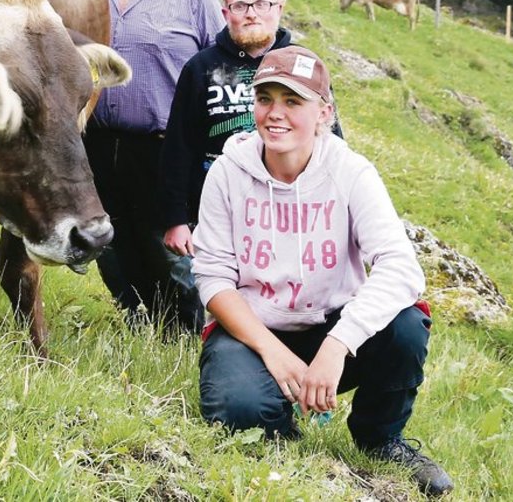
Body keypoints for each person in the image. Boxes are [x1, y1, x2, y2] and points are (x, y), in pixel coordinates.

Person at [192, 45, 453, 497]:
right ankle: (279, 416)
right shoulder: (227, 173)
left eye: (293, 102)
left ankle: (379, 437)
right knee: (238, 411)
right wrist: (273, 352)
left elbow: (400, 267)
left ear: (324, 113)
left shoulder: (351, 172)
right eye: (265, 99)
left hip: (334, 328)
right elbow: (212, 276)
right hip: (254, 331)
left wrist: (338, 345)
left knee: (407, 326)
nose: (275, 114)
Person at [84, 0, 224, 329]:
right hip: (92, 142)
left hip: (164, 148)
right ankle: (133, 318)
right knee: (106, 242)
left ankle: (184, 333)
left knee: (169, 249)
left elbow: (220, 63)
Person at [160, 0, 341, 262]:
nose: (251, 13)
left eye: (261, 4)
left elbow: (330, 138)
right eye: (240, 5)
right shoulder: (200, 68)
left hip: (292, 209)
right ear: (225, 13)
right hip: (216, 211)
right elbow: (178, 147)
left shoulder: (305, 66)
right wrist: (175, 219)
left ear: (280, 8)